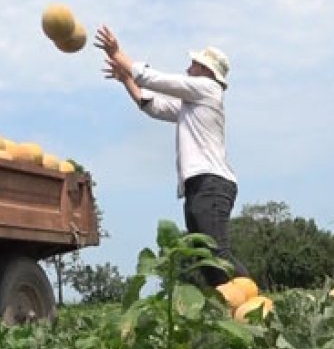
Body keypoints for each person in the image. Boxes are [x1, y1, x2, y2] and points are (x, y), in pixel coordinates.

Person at [94, 25, 250, 287]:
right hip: (199, 185)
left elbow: (153, 79)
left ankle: (255, 303)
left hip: (211, 183)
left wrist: (118, 53)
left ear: (207, 71)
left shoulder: (207, 88)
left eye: (194, 64)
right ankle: (231, 309)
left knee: (216, 253)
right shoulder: (191, 103)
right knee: (207, 257)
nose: (189, 67)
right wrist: (125, 80)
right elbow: (150, 104)